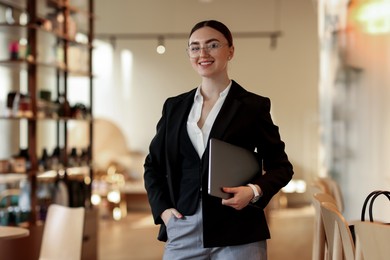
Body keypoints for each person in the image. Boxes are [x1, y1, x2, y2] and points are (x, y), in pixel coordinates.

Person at [144, 19, 294, 260]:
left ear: (230, 51)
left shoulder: (253, 106)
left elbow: (282, 167)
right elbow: (153, 165)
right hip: (183, 226)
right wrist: (163, 211)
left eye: (212, 45)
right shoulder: (174, 107)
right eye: (194, 47)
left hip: (239, 230)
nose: (202, 53)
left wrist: (253, 191)